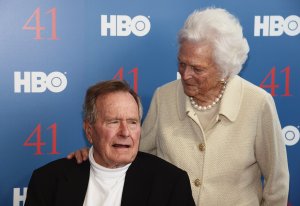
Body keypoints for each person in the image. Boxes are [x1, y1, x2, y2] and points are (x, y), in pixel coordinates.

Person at [68, 8, 289, 206]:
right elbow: (133, 152)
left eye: (197, 69)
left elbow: (276, 183)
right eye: (182, 63)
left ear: (225, 69)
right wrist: (95, 154)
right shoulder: (163, 97)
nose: (185, 75)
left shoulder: (258, 103)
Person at [25, 80, 195, 206]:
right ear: (89, 130)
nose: (125, 132)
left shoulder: (170, 182)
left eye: (132, 122)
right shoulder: (48, 180)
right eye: (113, 122)